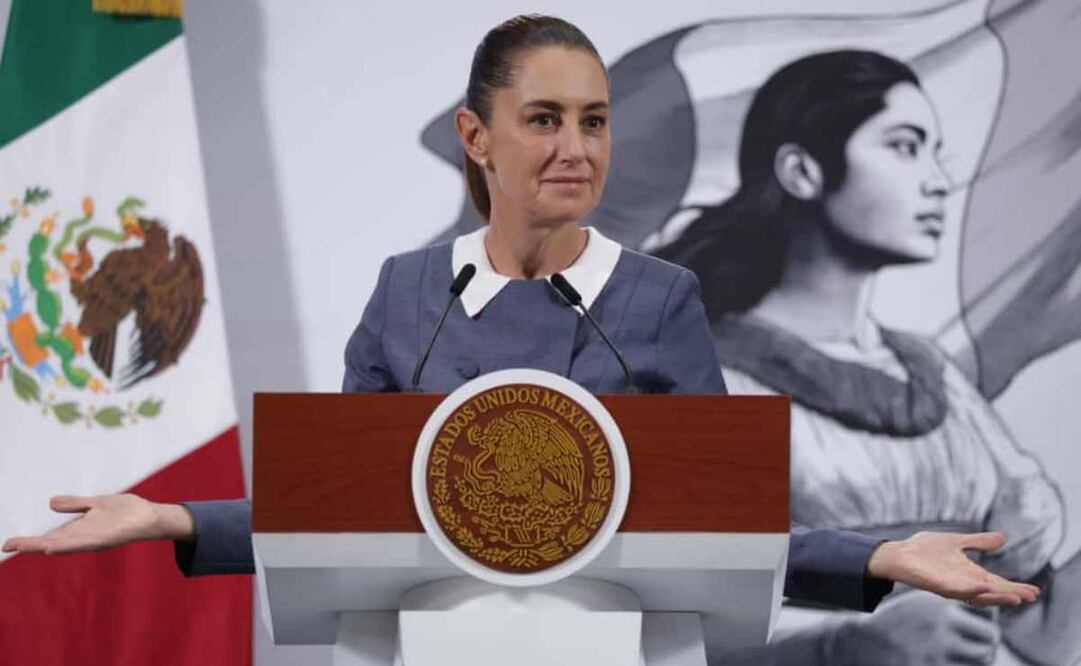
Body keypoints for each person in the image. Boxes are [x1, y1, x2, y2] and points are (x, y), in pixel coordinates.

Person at [3, 17, 1040, 617]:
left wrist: (877, 555)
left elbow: (724, 535)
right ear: (477, 137)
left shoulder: (664, 299)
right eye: (542, 120)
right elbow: (347, 517)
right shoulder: (406, 293)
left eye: (592, 120)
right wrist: (172, 518)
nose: (576, 147)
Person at [658, 50, 1079, 665]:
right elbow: (672, 638)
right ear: (803, 171)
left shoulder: (930, 375)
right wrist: (842, 647)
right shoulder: (711, 378)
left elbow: (1043, 630)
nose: (938, 180)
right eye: (905, 147)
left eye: (937, 153)